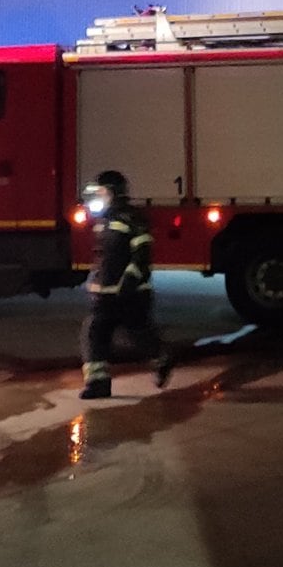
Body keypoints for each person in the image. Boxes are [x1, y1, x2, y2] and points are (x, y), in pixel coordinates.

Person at [79, 170, 174, 400]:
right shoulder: (104, 221)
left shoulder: (133, 219)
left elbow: (142, 255)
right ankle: (98, 383)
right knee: (94, 333)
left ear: (114, 193)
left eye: (101, 192)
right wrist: (95, 281)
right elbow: (103, 257)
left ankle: (162, 359)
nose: (98, 198)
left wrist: (128, 283)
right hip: (106, 296)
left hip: (131, 296)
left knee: (138, 336)